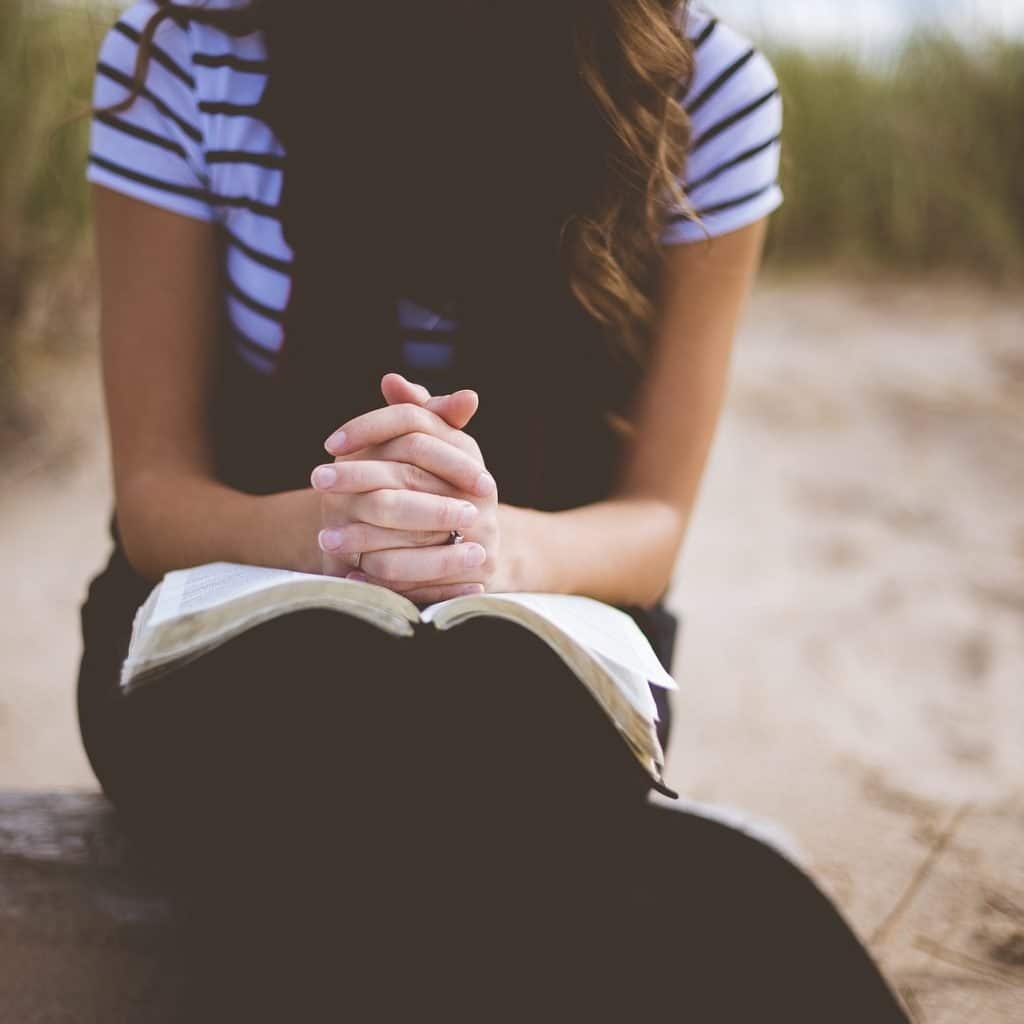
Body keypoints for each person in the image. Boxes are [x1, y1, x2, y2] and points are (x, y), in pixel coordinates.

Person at [78, 1, 910, 1020]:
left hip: (544, 636)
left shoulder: (704, 93)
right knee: (325, 757)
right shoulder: (191, 49)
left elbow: (652, 525)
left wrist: (486, 545)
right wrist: (341, 531)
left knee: (491, 754)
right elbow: (155, 500)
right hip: (223, 621)